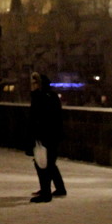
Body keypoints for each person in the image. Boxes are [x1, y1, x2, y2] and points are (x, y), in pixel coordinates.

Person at [27, 72, 67, 203]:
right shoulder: (48, 95)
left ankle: (46, 193)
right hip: (50, 134)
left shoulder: (43, 96)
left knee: (43, 164)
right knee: (49, 163)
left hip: (46, 134)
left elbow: (41, 116)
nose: (32, 86)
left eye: (35, 83)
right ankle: (58, 188)